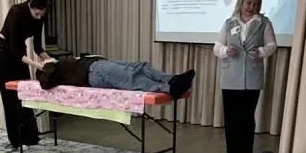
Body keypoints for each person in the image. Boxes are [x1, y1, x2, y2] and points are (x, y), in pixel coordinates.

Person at [215, 0, 277, 153]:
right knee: (231, 117)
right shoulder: (229, 23)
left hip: (252, 78)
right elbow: (217, 47)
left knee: (247, 119)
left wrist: (261, 51)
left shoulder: (264, 23)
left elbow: (272, 46)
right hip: (230, 77)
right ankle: (232, 151)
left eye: (256, 4)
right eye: (248, 3)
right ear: (241, 2)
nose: (252, 7)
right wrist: (225, 51)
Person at [0, 0, 52, 149]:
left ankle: (30, 136)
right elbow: (13, 48)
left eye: (41, 15)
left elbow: (38, 47)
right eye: (36, 14)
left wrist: (49, 60)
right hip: (4, 50)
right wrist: (37, 65)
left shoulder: (40, 17)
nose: (39, 18)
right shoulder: (16, 11)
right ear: (30, 7)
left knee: (25, 91)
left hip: (19, 49)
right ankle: (16, 139)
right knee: (10, 94)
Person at [36, 56, 195, 98]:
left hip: (98, 64)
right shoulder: (51, 72)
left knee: (140, 66)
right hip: (93, 73)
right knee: (130, 77)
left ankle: (170, 79)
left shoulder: (59, 65)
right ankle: (169, 88)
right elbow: (44, 83)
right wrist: (47, 65)